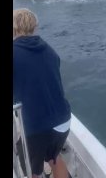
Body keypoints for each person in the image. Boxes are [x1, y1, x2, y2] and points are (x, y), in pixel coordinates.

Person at [13, 9, 72, 178]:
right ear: (34, 27)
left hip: (37, 127)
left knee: (32, 170)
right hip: (63, 121)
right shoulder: (49, 49)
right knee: (53, 157)